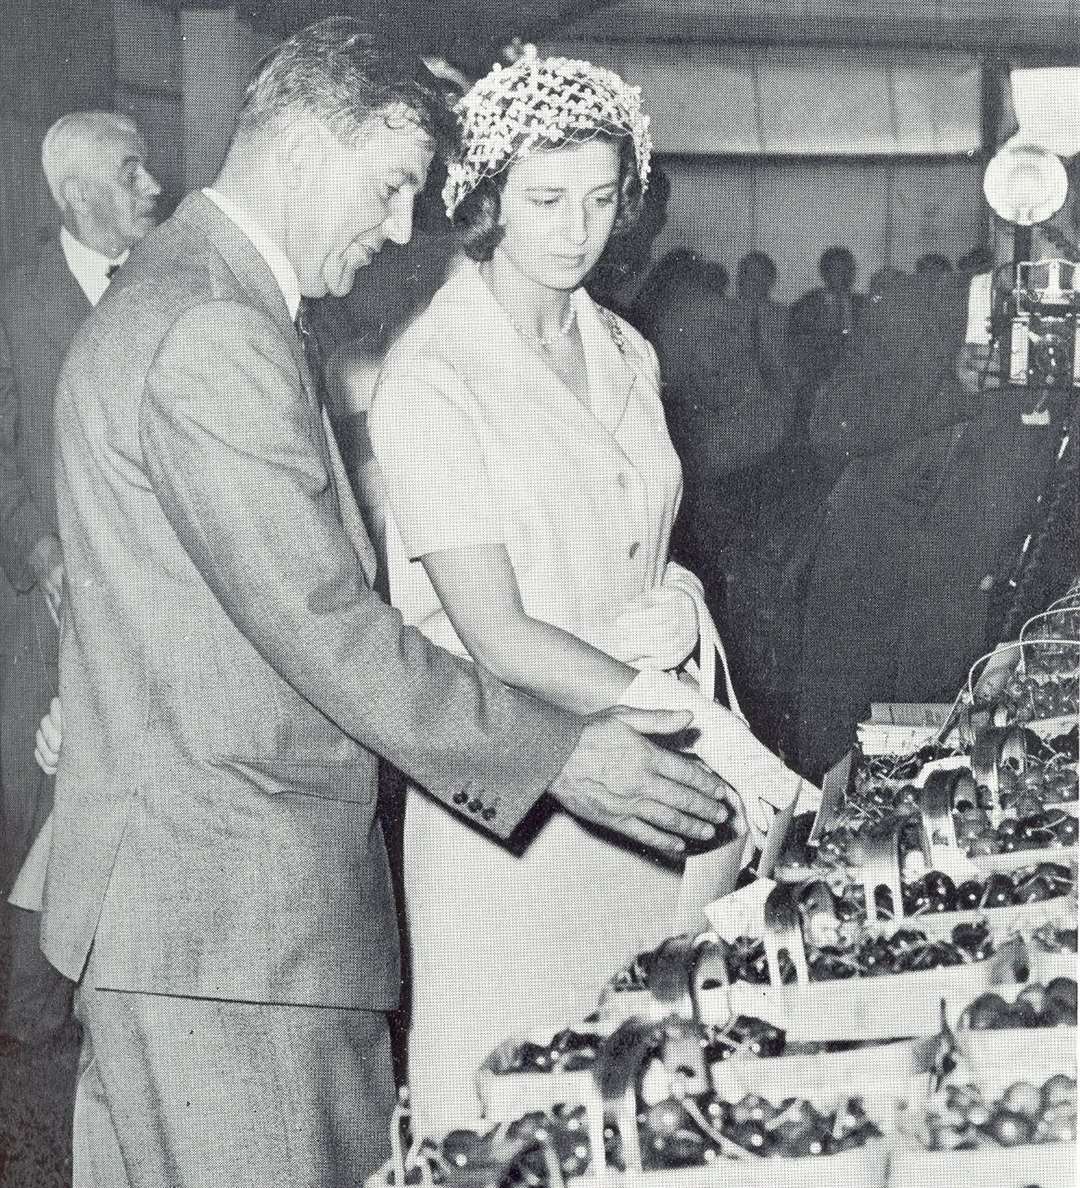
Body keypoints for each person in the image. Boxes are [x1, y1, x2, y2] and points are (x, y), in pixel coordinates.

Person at [44, 22, 737, 1188]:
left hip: (200, 912)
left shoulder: (194, 297)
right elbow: (327, 625)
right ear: (313, 149)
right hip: (236, 921)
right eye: (394, 183)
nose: (406, 226)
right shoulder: (213, 323)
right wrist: (558, 753)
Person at [369, 51, 804, 1130]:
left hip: (646, 773)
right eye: (546, 201)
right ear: (482, 201)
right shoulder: (434, 376)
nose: (579, 232)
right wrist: (707, 735)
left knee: (653, 1095)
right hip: (526, 794)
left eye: (605, 201)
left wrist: (684, 600)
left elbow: (635, 540)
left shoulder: (624, 346)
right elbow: (497, 632)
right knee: (522, 1109)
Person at [0, 111, 159, 1053]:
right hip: (47, 617)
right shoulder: (16, 302)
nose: (152, 186)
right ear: (74, 195)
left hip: (149, 612)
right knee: (42, 810)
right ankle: (31, 1026)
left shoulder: (164, 289)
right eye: (131, 169)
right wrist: (40, 554)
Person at [788, 245, 865, 432]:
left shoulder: (863, 304)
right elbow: (797, 344)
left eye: (848, 270)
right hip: (817, 376)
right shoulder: (808, 303)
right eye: (836, 270)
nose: (843, 276)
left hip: (855, 377)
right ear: (824, 273)